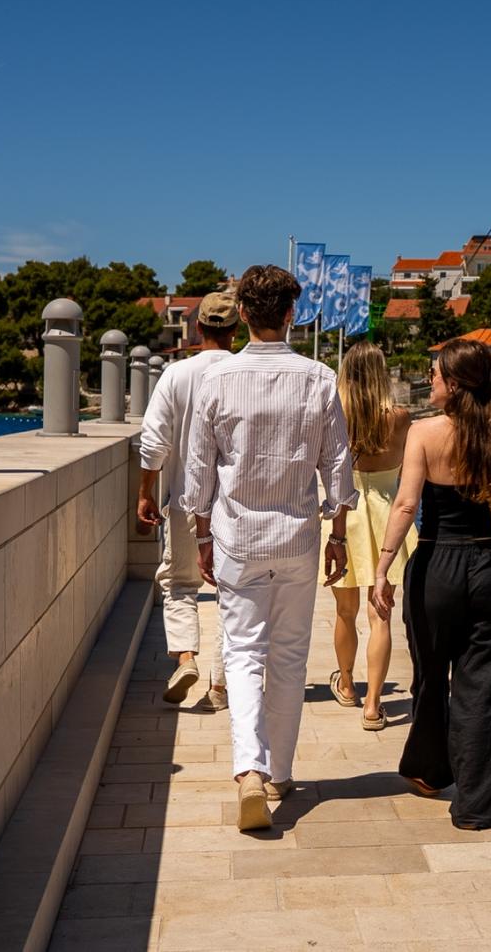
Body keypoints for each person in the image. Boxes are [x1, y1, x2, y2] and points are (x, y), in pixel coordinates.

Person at [182, 264, 354, 833]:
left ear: (244, 315)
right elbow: (337, 464)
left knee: (242, 652)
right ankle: (280, 771)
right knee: (289, 655)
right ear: (289, 314)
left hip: (237, 537)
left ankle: (249, 769)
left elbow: (199, 470)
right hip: (299, 537)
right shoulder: (319, 378)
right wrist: (340, 532)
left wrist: (202, 535)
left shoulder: (217, 380)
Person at [371, 341, 491, 831]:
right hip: (487, 565)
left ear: (455, 384)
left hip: (436, 567)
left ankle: (429, 771)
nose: (431, 377)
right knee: (485, 686)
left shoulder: (423, 432)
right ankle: (478, 806)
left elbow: (405, 507)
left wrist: (382, 568)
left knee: (429, 676)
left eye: (437, 372)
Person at [135, 289, 240, 710]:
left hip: (182, 499)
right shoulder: (243, 372)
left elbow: (153, 443)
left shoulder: (176, 375)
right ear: (237, 328)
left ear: (198, 327)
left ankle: (186, 657)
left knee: (179, 583)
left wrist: (146, 494)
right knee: (233, 592)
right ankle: (219, 683)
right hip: (234, 505)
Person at [322, 342, 413, 731]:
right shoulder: (401, 417)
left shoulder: (334, 415)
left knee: (345, 611)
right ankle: (374, 706)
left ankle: (346, 683)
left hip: (347, 516)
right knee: (382, 617)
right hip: (388, 517)